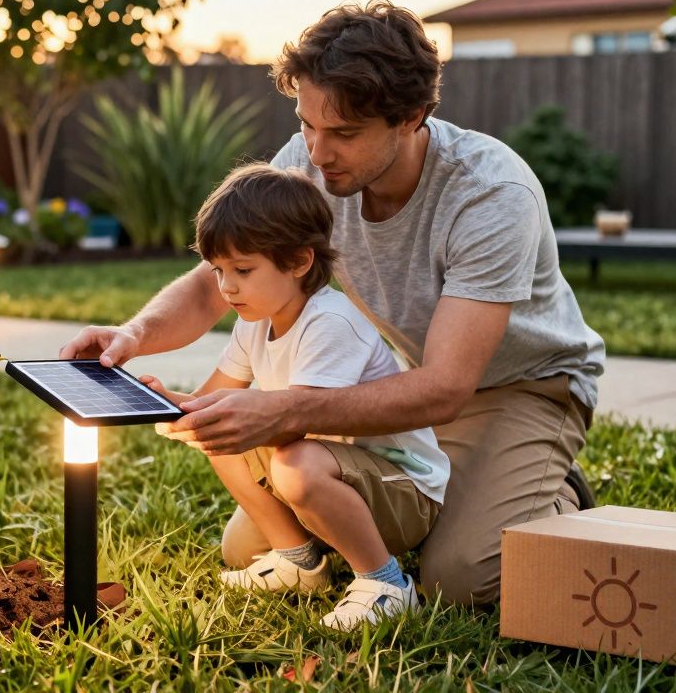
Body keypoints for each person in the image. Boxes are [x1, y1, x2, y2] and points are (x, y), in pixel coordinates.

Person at [59, 0, 605, 606]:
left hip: (524, 388)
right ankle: (453, 494)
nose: (317, 153)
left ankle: (548, 489)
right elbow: (216, 278)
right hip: (409, 387)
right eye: (306, 124)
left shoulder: (489, 194)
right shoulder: (309, 164)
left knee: (461, 578)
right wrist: (132, 336)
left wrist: (284, 412)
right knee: (255, 546)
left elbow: (449, 386)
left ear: (411, 117)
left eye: (343, 133)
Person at [138, 163, 450, 630]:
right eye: (219, 270)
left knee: (292, 461)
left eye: (243, 269)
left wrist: (205, 414)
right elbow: (214, 400)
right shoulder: (254, 322)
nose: (227, 286)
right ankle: (299, 562)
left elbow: (293, 422)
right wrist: (167, 403)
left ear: (300, 262)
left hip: (406, 494)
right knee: (221, 438)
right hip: (338, 479)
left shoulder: (330, 323)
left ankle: (387, 583)